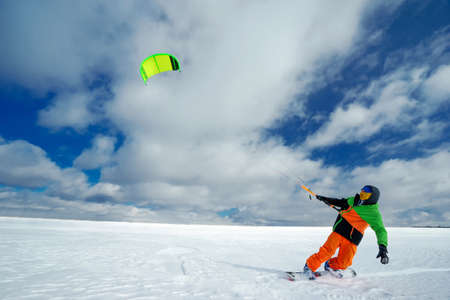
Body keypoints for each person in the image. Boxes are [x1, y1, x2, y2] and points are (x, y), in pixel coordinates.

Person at [304, 185, 389, 279]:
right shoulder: (353, 200)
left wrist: (383, 247)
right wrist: (324, 198)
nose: (362, 194)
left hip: (353, 238)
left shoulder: (374, 213)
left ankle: (331, 265)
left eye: (365, 193)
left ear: (372, 197)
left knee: (345, 262)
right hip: (340, 231)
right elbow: (340, 202)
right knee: (327, 251)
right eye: (362, 191)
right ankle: (309, 267)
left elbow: (380, 230)